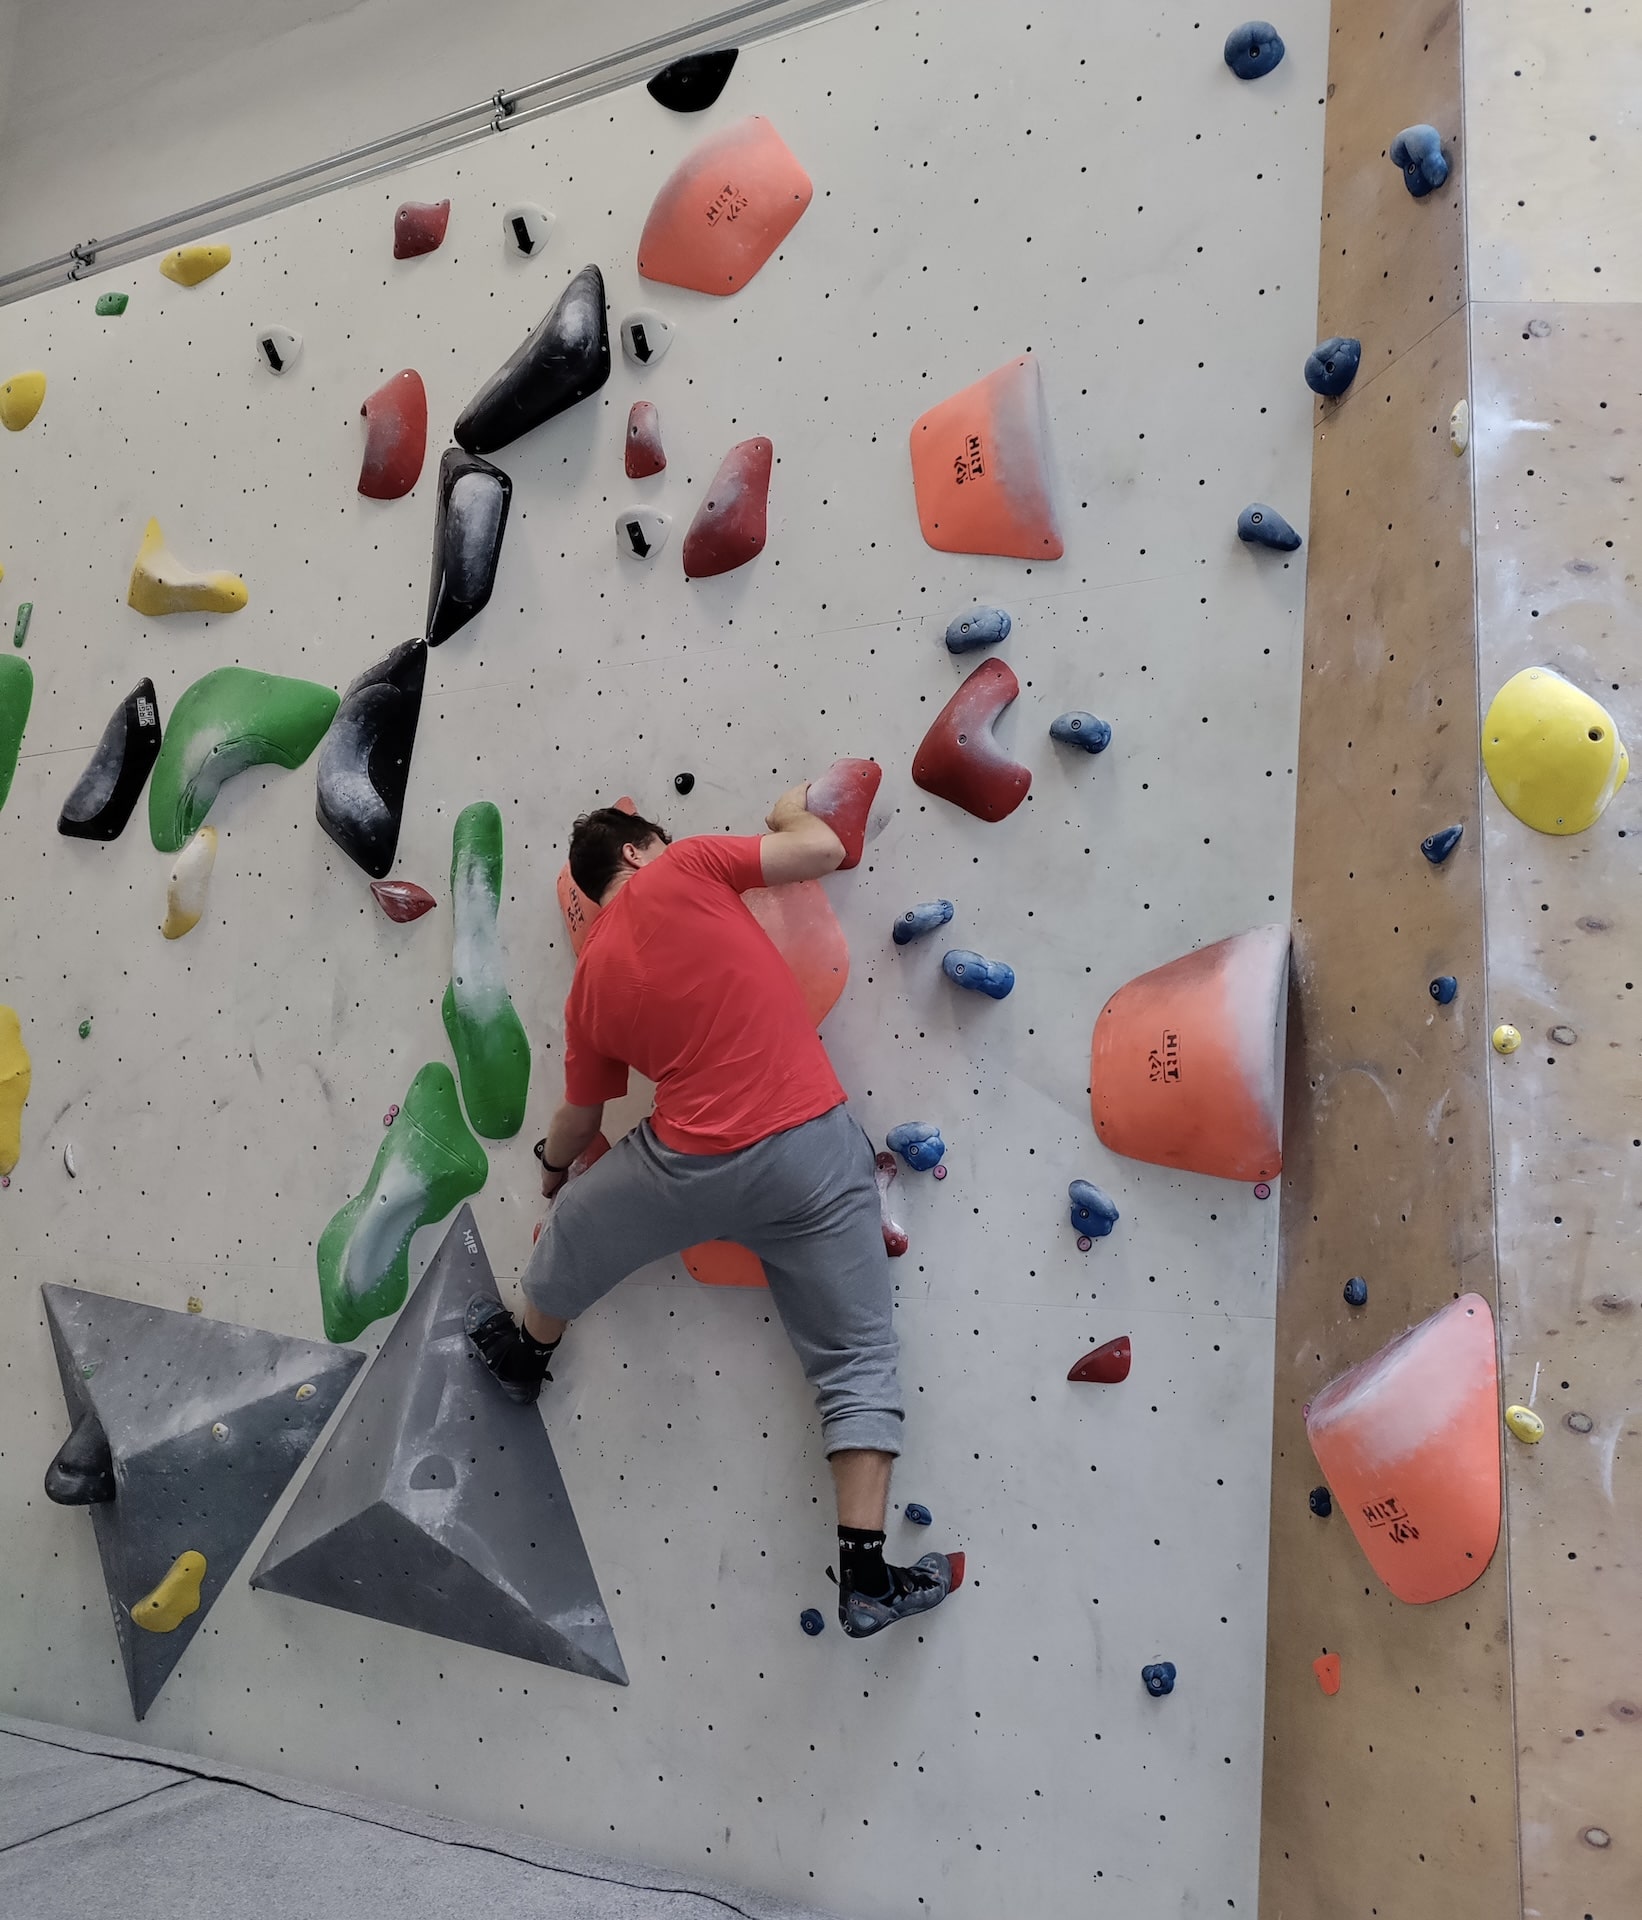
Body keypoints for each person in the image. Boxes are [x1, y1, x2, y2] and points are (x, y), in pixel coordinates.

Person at [464, 783, 961, 1638]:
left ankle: (525, 1354)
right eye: (653, 837)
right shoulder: (686, 864)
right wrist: (791, 805)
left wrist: (553, 1171)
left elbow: (577, 1124)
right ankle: (867, 1574)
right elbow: (823, 850)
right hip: (809, 1148)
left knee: (580, 1223)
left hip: (693, 1166)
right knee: (855, 1358)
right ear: (637, 851)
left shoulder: (588, 990)